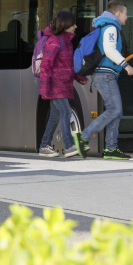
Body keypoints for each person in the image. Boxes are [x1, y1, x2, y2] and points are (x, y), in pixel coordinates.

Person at [73, 0, 133, 160]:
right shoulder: (110, 27)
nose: (127, 18)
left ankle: (111, 148)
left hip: (105, 75)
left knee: (116, 111)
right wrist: (125, 65)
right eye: (126, 14)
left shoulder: (106, 26)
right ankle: (84, 137)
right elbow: (109, 49)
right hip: (104, 75)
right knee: (114, 109)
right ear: (118, 13)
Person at [38, 11, 88, 158]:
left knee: (55, 116)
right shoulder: (55, 41)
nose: (76, 26)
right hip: (55, 85)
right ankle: (69, 145)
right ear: (66, 25)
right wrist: (45, 87)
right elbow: (46, 65)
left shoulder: (66, 42)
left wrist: (79, 78)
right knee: (65, 111)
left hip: (62, 84)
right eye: (73, 24)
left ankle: (43, 146)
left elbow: (69, 65)